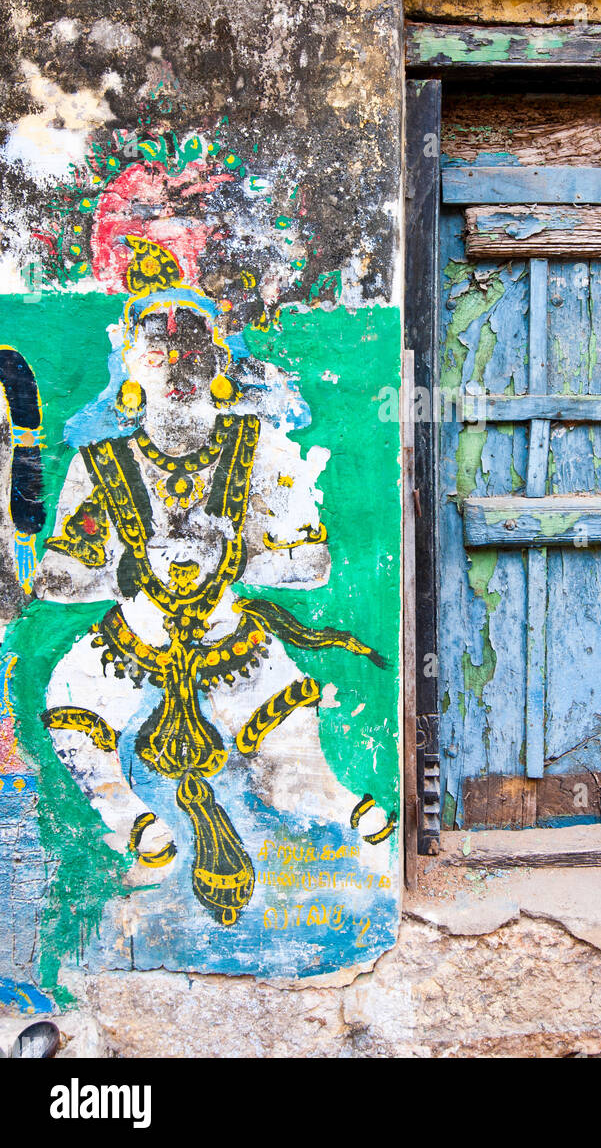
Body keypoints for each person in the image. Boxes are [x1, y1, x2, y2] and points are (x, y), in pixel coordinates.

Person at [34, 237, 391, 926]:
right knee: (71, 710)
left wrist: (227, 558)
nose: (177, 366)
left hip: (235, 646)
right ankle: (125, 815)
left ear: (219, 364)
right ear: (130, 364)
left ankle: (354, 820)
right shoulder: (99, 464)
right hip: (128, 649)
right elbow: (63, 577)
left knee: (297, 775)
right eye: (158, 349)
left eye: (193, 350)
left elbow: (309, 564)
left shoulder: (260, 449)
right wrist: (108, 575)